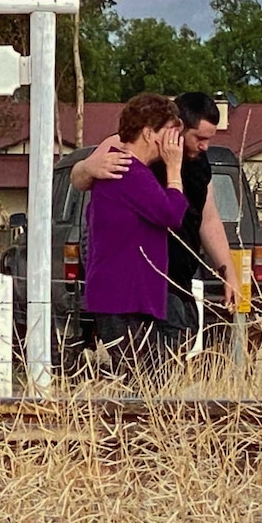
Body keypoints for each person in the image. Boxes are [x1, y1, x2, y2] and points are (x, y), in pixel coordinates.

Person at [72, 92, 237, 356]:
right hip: (136, 289)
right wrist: (88, 166)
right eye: (199, 138)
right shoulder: (128, 160)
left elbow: (209, 219)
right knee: (150, 372)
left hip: (170, 282)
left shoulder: (197, 166)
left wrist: (228, 271)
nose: (205, 146)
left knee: (161, 365)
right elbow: (170, 214)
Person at [84, 93, 188, 375]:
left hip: (125, 295)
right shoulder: (130, 171)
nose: (173, 143)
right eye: (168, 133)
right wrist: (174, 170)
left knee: (147, 371)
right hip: (125, 298)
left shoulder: (122, 168)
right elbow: (171, 214)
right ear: (148, 133)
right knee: (143, 380)